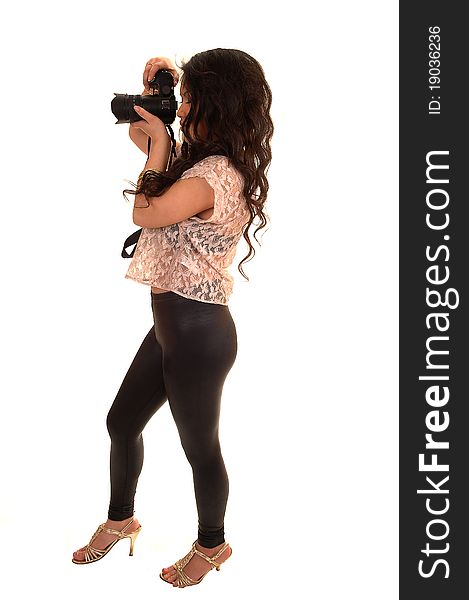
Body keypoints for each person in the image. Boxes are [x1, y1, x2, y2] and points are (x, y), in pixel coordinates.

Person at [71, 49, 273, 588]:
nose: (181, 111)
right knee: (121, 423)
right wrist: (158, 101)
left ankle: (212, 546)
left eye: (189, 101)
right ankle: (121, 519)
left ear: (218, 105)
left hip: (198, 334)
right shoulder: (198, 163)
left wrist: (162, 141)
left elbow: (147, 209)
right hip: (171, 326)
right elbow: (146, 144)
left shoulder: (216, 177)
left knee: (199, 448)